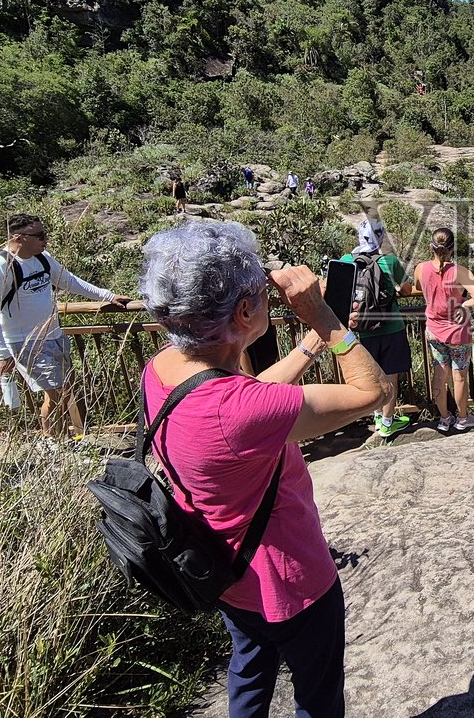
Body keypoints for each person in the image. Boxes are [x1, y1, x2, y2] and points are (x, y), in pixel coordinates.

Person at [137, 220, 389, 718]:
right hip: (290, 582)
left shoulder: (162, 368)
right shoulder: (238, 411)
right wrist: (323, 316)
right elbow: (373, 393)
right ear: (244, 311)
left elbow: (246, 405)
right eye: (259, 292)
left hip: (226, 571)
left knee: (249, 673)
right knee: (318, 696)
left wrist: (306, 349)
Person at [0, 214, 133, 441]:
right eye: (39, 235)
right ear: (18, 237)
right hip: (25, 341)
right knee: (57, 393)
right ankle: (52, 441)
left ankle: (60, 440)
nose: (45, 239)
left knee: (64, 391)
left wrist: (107, 296)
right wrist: (0, 352)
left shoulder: (42, 259)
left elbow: (68, 280)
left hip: (54, 336)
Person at [398, 227, 474, 432]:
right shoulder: (460, 272)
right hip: (457, 332)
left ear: (431, 247)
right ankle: (463, 418)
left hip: (434, 331)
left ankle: (444, 419)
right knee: (459, 376)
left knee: (440, 374)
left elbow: (418, 286)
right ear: (452, 248)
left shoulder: (421, 268)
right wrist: (463, 304)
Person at [339, 220, 412, 438]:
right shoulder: (389, 261)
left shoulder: (346, 260)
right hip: (391, 328)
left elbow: (333, 288)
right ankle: (388, 423)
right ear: (379, 238)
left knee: (372, 377)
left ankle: (378, 416)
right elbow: (407, 290)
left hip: (360, 330)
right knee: (391, 377)